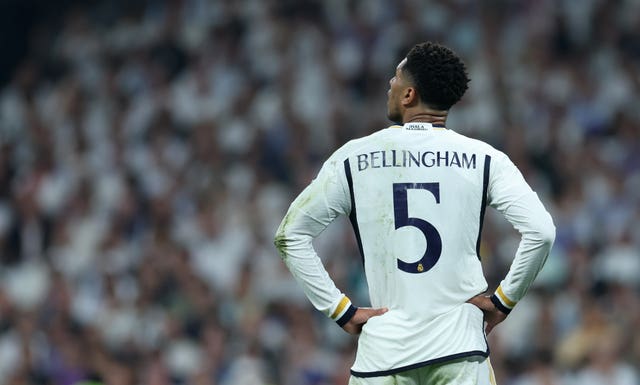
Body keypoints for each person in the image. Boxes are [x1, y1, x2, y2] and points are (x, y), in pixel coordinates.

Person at [274, 41, 555, 385]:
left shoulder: (354, 157)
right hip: (460, 349)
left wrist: (339, 309)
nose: (388, 85)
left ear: (409, 95)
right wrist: (504, 300)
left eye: (395, 78)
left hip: (383, 355)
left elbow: (289, 235)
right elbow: (542, 232)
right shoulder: (485, 159)